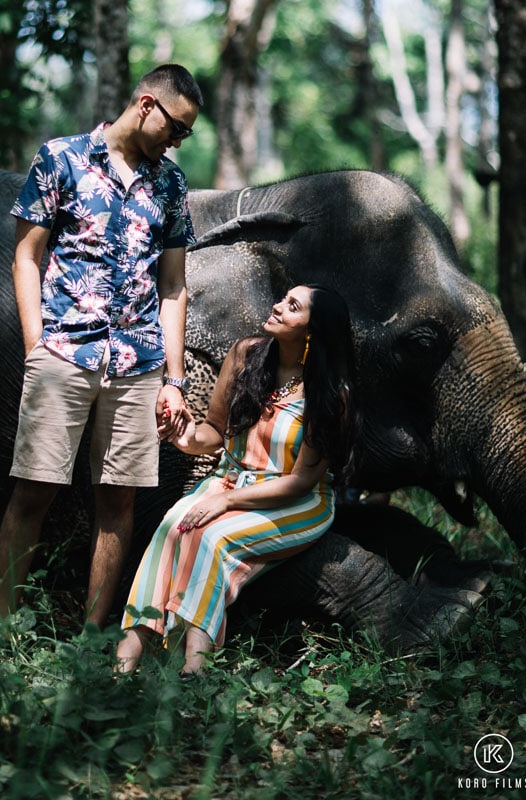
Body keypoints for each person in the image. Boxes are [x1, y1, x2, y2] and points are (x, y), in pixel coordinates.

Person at [0, 63, 204, 627]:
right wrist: (38, 343)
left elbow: (174, 285)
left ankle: (90, 641)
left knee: (119, 501)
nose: (179, 140)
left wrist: (175, 380)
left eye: (187, 133)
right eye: (176, 127)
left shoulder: (171, 184)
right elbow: (26, 257)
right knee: (33, 492)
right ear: (145, 105)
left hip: (137, 364)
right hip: (64, 355)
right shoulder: (60, 158)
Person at [115, 283, 359, 676]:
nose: (278, 306)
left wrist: (225, 503)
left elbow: (299, 483)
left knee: (212, 538)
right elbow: (214, 430)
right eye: (283, 298)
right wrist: (185, 437)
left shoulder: (329, 394)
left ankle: (193, 663)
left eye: (292, 306)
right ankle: (132, 647)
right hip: (228, 480)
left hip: (295, 500)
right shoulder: (246, 355)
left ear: (312, 332)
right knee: (172, 526)